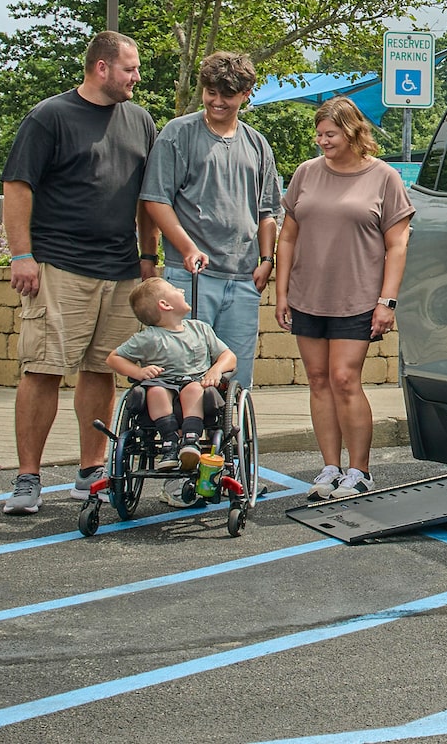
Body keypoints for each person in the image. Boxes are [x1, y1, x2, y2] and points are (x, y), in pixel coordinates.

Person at [0, 30, 160, 516]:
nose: (137, 77)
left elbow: (146, 200)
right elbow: (17, 186)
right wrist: (20, 255)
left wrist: (147, 258)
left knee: (100, 370)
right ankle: (29, 476)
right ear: (101, 68)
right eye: (130, 69)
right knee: (43, 369)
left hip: (119, 268)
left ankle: (91, 469)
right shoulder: (49, 117)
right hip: (58, 264)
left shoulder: (140, 121)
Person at [274, 97, 412, 501]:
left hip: (359, 299)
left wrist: (387, 301)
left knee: (345, 379)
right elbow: (288, 235)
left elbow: (398, 244)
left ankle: (360, 471)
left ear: (352, 132)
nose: (322, 142)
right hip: (307, 296)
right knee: (318, 381)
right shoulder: (305, 174)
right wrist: (282, 293)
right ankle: (330, 467)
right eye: (318, 135)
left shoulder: (384, 177)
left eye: (329, 134)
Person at [139, 50, 282, 392]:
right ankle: (184, 440)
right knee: (185, 373)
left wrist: (266, 259)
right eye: (211, 92)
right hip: (190, 278)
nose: (217, 101)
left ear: (246, 94)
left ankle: (224, 444)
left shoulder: (257, 144)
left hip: (243, 279)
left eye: (227, 95)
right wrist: (187, 248)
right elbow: (155, 201)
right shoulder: (178, 134)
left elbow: (268, 211)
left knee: (234, 379)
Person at [105, 278, 236, 470]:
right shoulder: (147, 338)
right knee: (155, 391)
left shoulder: (200, 329)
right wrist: (138, 371)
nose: (182, 290)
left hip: (195, 383)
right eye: (175, 289)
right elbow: (113, 358)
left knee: (193, 388)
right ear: (165, 305)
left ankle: (190, 440)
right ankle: (170, 442)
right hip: (162, 385)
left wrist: (216, 369)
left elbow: (228, 356)